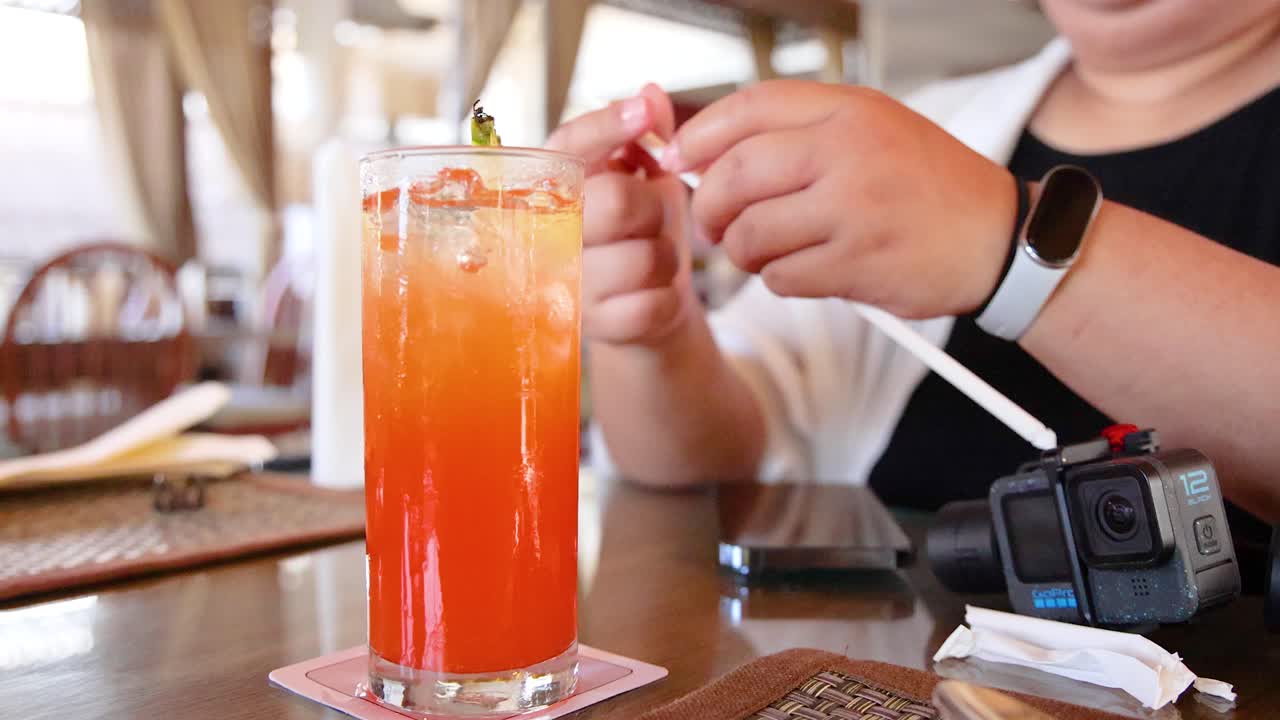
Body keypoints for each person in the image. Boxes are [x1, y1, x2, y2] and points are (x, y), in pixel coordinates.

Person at [546, 0, 1280, 578]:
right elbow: (716, 463)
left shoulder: (928, 161)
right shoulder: (930, 132)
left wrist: (1007, 242)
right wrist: (653, 333)